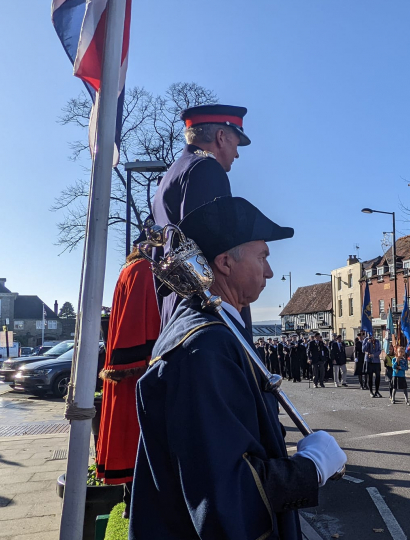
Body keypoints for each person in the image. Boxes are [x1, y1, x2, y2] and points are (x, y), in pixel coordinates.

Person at [130, 196, 346, 540]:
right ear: (225, 262)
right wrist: (311, 468)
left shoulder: (211, 331)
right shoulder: (204, 348)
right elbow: (225, 491)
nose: (270, 271)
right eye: (262, 257)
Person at [151, 104, 252, 330]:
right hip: (206, 316)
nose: (236, 153)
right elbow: (214, 252)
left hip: (178, 312)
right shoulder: (206, 169)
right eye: (236, 144)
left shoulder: (171, 175)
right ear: (221, 136)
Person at [96, 245, 161, 514]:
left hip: (127, 371)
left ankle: (131, 502)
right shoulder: (144, 270)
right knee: (139, 436)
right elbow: (149, 319)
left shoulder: (128, 270)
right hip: (138, 369)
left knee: (130, 436)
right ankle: (138, 504)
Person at [363, 332, 383, 398]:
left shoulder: (377, 341)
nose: (372, 336)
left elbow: (379, 350)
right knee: (370, 377)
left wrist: (374, 355)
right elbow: (363, 350)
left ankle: (377, 391)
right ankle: (371, 391)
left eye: (372, 334)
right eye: (370, 334)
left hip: (376, 361)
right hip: (369, 361)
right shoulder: (365, 340)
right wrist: (368, 342)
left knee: (378, 377)